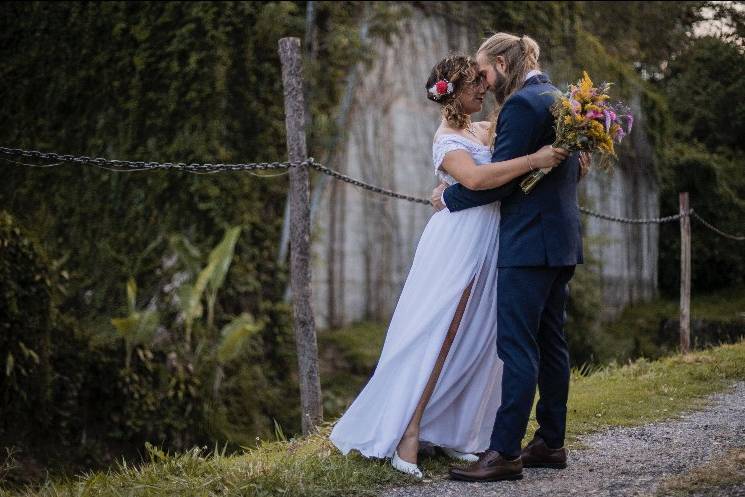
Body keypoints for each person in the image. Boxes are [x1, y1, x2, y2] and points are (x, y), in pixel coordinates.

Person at [329, 54, 568, 479]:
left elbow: (520, 138)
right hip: (458, 242)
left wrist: (575, 137)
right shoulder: (446, 139)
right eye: (474, 83)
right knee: (444, 330)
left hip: (492, 238)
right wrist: (536, 161)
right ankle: (409, 431)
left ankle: (452, 430)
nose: (483, 87)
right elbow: (477, 181)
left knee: (478, 335)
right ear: (452, 93)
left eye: (482, 79)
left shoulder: (482, 127)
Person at [431, 33, 584, 483]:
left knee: (517, 346)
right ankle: (551, 442)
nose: (482, 81)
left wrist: (447, 198)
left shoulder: (520, 105)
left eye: (484, 72)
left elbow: (496, 180)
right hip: (561, 240)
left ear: (502, 62)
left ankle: (503, 452)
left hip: (527, 243)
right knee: (552, 341)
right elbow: (573, 167)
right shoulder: (560, 99)